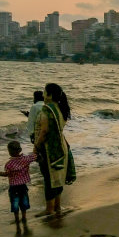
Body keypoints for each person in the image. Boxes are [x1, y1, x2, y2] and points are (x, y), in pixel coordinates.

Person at [34, 83, 72, 218]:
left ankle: (49, 209)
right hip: (61, 147)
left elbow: (44, 131)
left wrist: (36, 147)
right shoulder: (61, 108)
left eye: (45, 92)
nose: (43, 94)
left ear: (49, 95)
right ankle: (57, 206)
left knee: (49, 178)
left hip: (49, 149)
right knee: (58, 177)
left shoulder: (46, 110)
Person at [0, 141, 37, 227]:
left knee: (15, 203)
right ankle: (24, 217)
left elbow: (6, 174)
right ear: (20, 150)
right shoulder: (26, 159)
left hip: (14, 187)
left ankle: (16, 219)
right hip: (23, 186)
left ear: (9, 152)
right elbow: (35, 155)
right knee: (23, 202)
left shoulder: (9, 164)